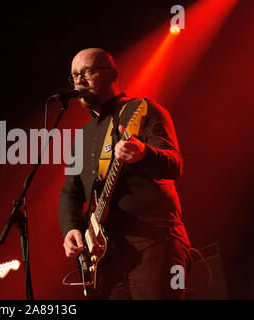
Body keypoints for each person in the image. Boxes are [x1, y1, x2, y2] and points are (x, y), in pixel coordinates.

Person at [58, 48, 192, 299]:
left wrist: (145, 153)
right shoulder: (82, 138)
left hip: (153, 243)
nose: (79, 80)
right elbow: (70, 192)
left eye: (87, 71)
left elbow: (175, 165)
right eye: (74, 75)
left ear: (113, 75)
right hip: (106, 258)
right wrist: (71, 228)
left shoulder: (144, 110)